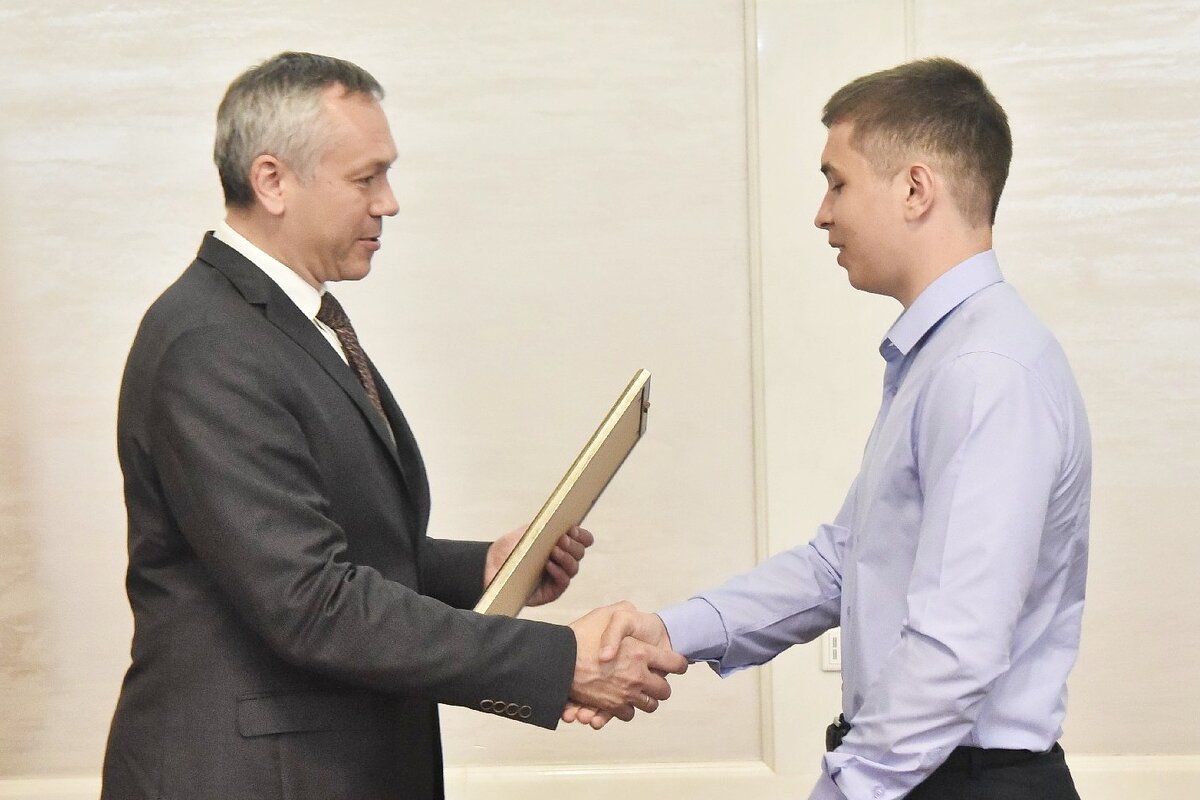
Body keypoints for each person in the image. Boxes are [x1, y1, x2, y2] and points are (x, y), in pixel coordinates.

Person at [101, 51, 684, 800]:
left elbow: (327, 544)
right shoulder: (211, 346)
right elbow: (311, 602)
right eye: (365, 178)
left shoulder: (280, 322)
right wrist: (559, 660)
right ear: (272, 180)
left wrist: (482, 570)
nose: (390, 202)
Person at [572, 58, 1090, 800]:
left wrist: (844, 791)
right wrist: (672, 631)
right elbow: (846, 563)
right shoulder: (945, 357)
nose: (822, 213)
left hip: (961, 782)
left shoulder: (986, 372)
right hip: (931, 775)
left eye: (837, 182)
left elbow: (955, 652)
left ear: (915, 189)